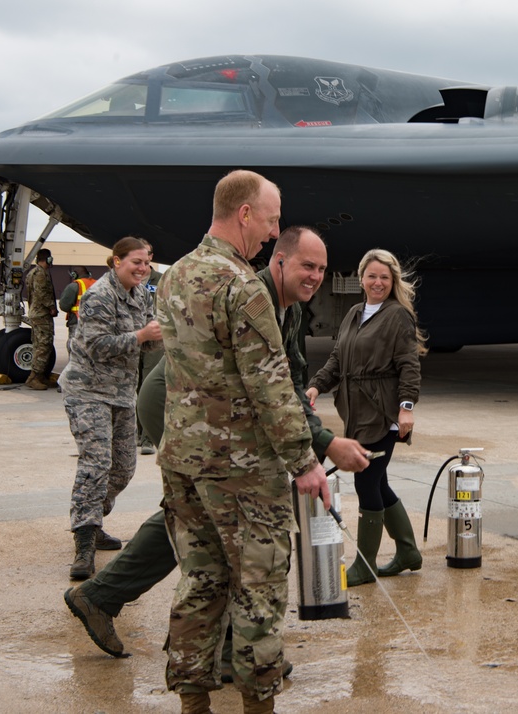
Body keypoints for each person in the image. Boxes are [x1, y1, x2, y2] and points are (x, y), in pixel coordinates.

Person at [63, 226, 369, 665]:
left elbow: (292, 380)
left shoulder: (292, 309)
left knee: (198, 513)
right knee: (230, 519)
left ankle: (104, 597)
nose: (316, 276)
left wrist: (319, 438)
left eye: (322, 268)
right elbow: (263, 385)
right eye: (307, 266)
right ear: (279, 261)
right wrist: (321, 445)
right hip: (179, 403)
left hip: (212, 409)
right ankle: (231, 652)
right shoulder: (254, 295)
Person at [156, 170, 330, 714]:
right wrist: (305, 462)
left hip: (182, 461)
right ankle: (258, 704)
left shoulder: (175, 276)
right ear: (246, 214)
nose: (272, 232)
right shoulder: (242, 285)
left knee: (200, 581)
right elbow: (271, 383)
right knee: (258, 588)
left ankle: (193, 702)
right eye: (272, 220)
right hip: (240, 469)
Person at [306, 248, 426, 587]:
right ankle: (407, 552)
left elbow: (408, 364)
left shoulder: (397, 315)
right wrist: (316, 386)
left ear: (393, 282)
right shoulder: (354, 313)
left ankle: (366, 564)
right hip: (356, 411)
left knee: (366, 481)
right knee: (378, 481)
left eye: (384, 278)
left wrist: (406, 407)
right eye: (372, 276)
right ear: (361, 278)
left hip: (383, 412)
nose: (378, 282)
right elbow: (336, 358)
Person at [60, 238, 162, 581]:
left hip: (120, 393)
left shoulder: (141, 294)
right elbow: (96, 345)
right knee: (96, 463)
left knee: (124, 467)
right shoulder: (98, 296)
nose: (142, 268)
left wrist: (165, 335)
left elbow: (149, 336)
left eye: (146, 262)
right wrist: (140, 335)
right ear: (116, 261)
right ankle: (85, 541)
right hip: (87, 391)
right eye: (135, 261)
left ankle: (92, 517)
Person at [136, 240, 164, 455]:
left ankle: (147, 439)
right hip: (134, 338)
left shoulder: (161, 280)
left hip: (154, 341)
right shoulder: (129, 281)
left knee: (149, 383)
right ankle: (136, 433)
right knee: (134, 384)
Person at [25, 248, 58, 390]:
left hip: (36, 312)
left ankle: (40, 376)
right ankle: (34, 377)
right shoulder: (40, 274)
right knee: (44, 345)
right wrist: (51, 307)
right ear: (48, 259)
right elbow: (41, 293)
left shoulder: (32, 273)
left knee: (39, 344)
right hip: (42, 314)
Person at [59, 266, 96, 357]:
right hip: (96, 324)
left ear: (74, 274)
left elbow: (64, 305)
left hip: (77, 323)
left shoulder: (74, 286)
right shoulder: (98, 284)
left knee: (75, 352)